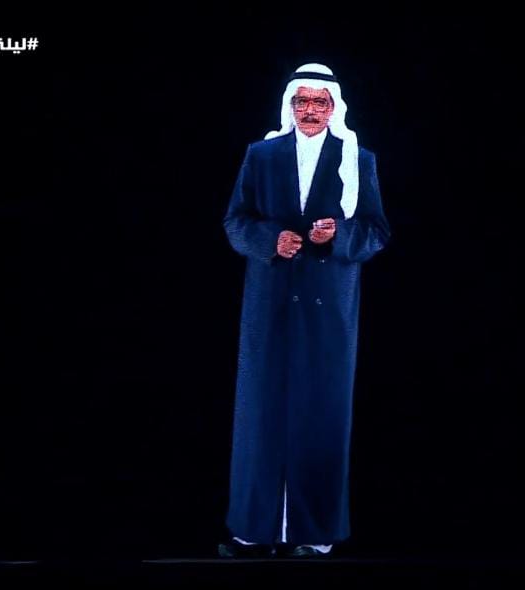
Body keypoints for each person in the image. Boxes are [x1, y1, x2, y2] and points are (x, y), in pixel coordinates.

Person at [219, 63, 391, 559]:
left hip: (328, 311)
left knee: (322, 415)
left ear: (334, 108)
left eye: (320, 102)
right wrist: (270, 239)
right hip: (269, 307)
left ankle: (315, 536)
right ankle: (252, 531)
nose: (310, 110)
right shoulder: (261, 155)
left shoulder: (357, 158)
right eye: (302, 101)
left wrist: (339, 235)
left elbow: (376, 231)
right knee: (260, 414)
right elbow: (235, 221)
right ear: (290, 104)